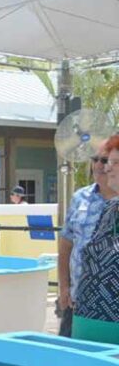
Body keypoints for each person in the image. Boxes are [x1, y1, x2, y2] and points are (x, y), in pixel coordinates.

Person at [58, 140, 117, 337]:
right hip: (79, 304)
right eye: (95, 160)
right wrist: (64, 288)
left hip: (111, 311)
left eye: (107, 160)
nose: (100, 166)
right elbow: (66, 245)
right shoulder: (80, 198)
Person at [72, 135, 119, 344]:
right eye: (108, 161)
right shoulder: (110, 208)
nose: (107, 168)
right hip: (89, 320)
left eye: (115, 163)